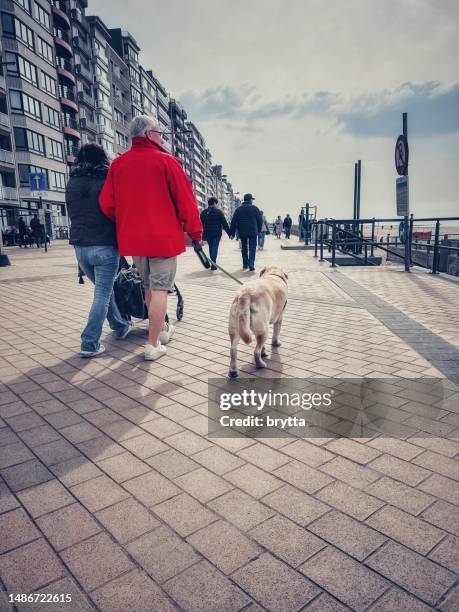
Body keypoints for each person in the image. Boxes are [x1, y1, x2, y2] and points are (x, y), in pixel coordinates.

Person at [100, 115, 202, 361]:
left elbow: (106, 204)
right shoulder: (167, 162)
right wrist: (195, 232)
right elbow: (186, 203)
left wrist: (127, 220)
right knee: (160, 290)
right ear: (148, 134)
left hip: (135, 240)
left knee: (148, 286)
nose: (162, 137)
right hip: (163, 238)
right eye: (159, 133)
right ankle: (153, 343)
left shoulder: (118, 165)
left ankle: (162, 330)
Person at [66, 143, 132, 358]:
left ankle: (120, 326)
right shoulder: (108, 179)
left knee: (105, 290)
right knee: (102, 294)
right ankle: (89, 342)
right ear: (102, 157)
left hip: (80, 247)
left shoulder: (72, 182)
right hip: (104, 244)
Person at [229, 193, 262, 271]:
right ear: (250, 200)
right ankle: (251, 264)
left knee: (244, 247)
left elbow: (233, 221)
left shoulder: (238, 209)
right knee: (252, 247)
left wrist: (232, 233)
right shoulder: (255, 208)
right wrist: (259, 230)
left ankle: (245, 264)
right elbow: (259, 220)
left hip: (242, 231)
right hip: (252, 231)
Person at [200, 197, 230, 270]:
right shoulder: (219, 212)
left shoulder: (203, 212)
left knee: (211, 247)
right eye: (217, 203)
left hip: (208, 233)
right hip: (217, 233)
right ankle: (213, 264)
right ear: (214, 203)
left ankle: (213, 263)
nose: (217, 205)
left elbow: (201, 223)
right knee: (215, 248)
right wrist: (229, 233)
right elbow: (224, 223)